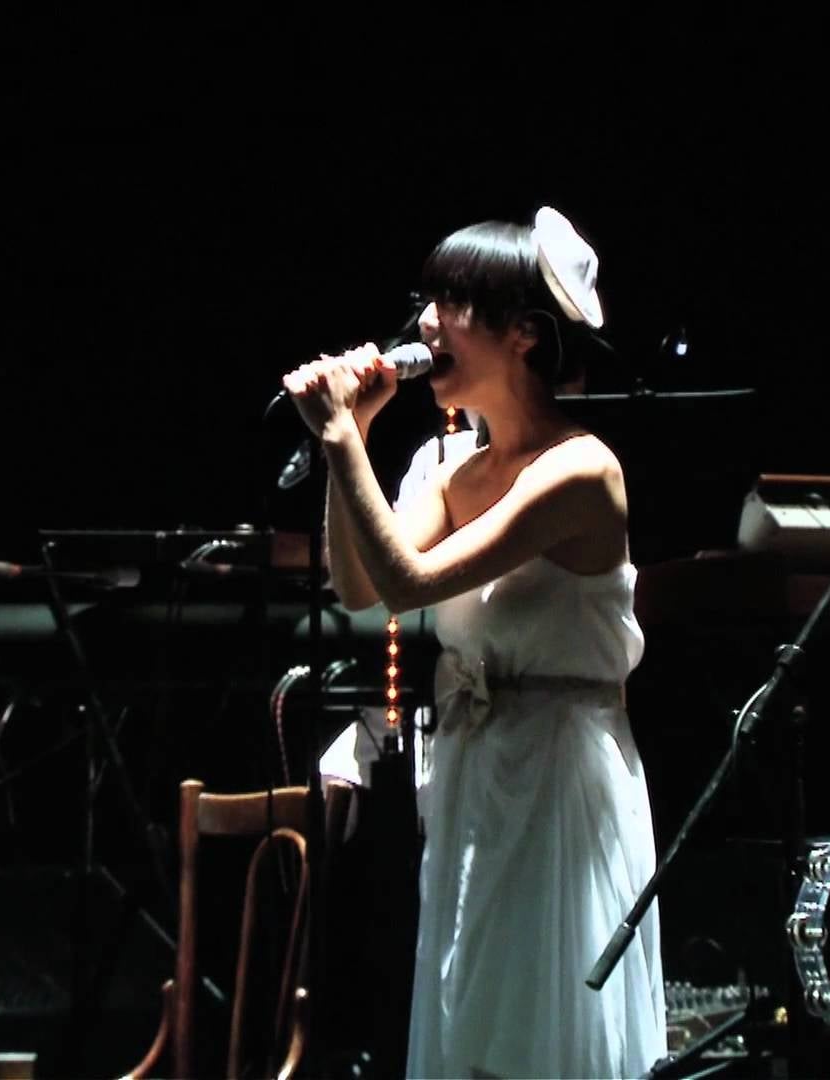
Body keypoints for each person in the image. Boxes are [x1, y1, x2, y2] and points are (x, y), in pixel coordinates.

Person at [282, 207, 665, 1078]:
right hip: (474, 774)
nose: (425, 323)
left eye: (450, 303)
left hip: (558, 777)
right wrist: (356, 438)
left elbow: (411, 582)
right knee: (472, 1018)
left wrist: (342, 438)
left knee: (539, 1023)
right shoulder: (452, 468)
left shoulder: (581, 469)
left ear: (524, 334)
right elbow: (360, 588)